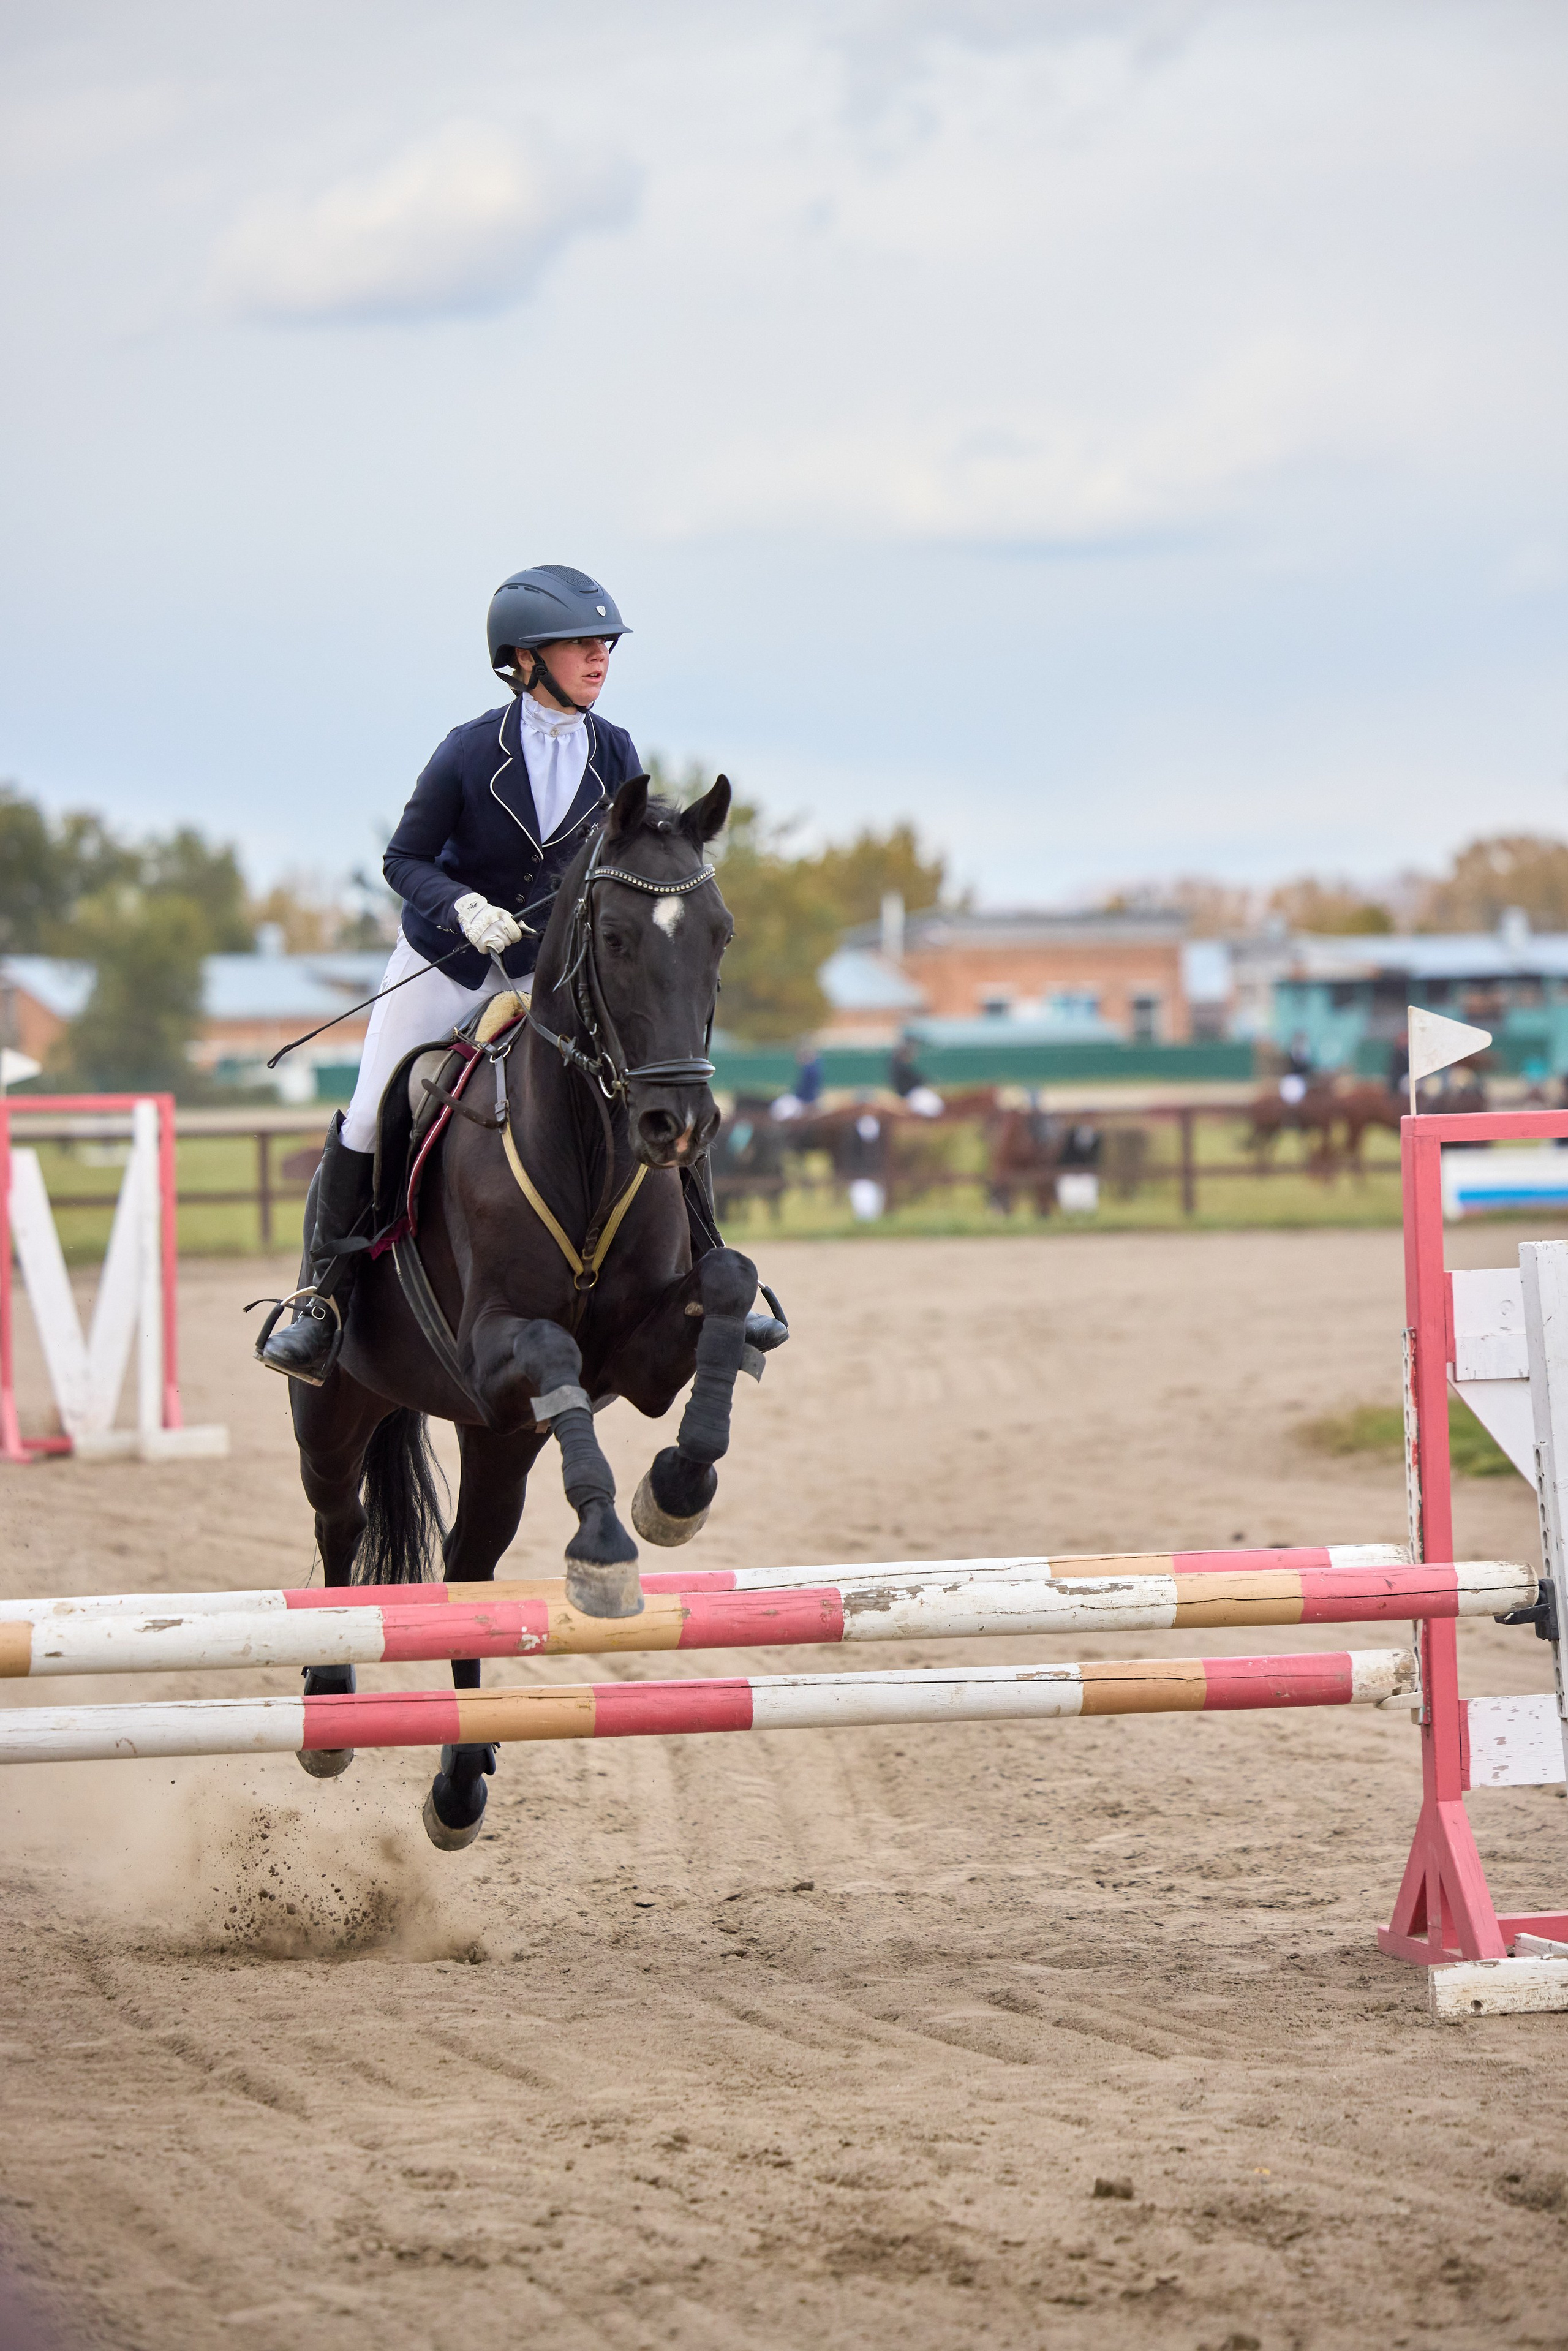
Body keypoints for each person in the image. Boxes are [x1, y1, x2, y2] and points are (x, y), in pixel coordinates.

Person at [259, 564, 643, 1383]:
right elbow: (404, 858)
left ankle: (710, 1261)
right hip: (452, 962)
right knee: (368, 1113)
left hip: (546, 975)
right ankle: (322, 1304)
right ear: (524, 658)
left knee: (651, 1081)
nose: (600, 657)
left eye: (605, 642)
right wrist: (462, 904)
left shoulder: (616, 751)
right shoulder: (471, 749)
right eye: (580, 643)